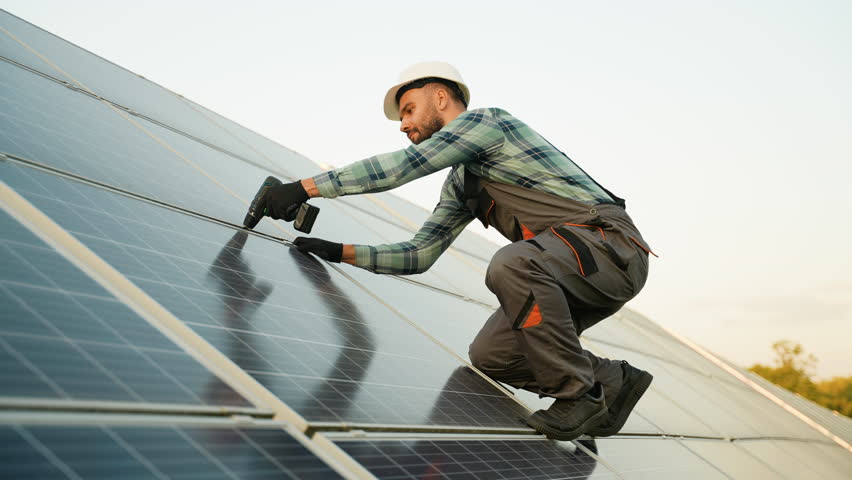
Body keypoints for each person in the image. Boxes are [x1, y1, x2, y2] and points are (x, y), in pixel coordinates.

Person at [250, 61, 655, 441]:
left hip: (609, 247)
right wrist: (339, 251)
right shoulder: (463, 183)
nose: (404, 124)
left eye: (409, 110)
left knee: (512, 263)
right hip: (565, 272)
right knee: (493, 355)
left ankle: (578, 394)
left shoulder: (489, 122)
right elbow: (419, 254)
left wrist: (301, 188)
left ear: (440, 97)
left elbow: (399, 169)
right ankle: (612, 381)